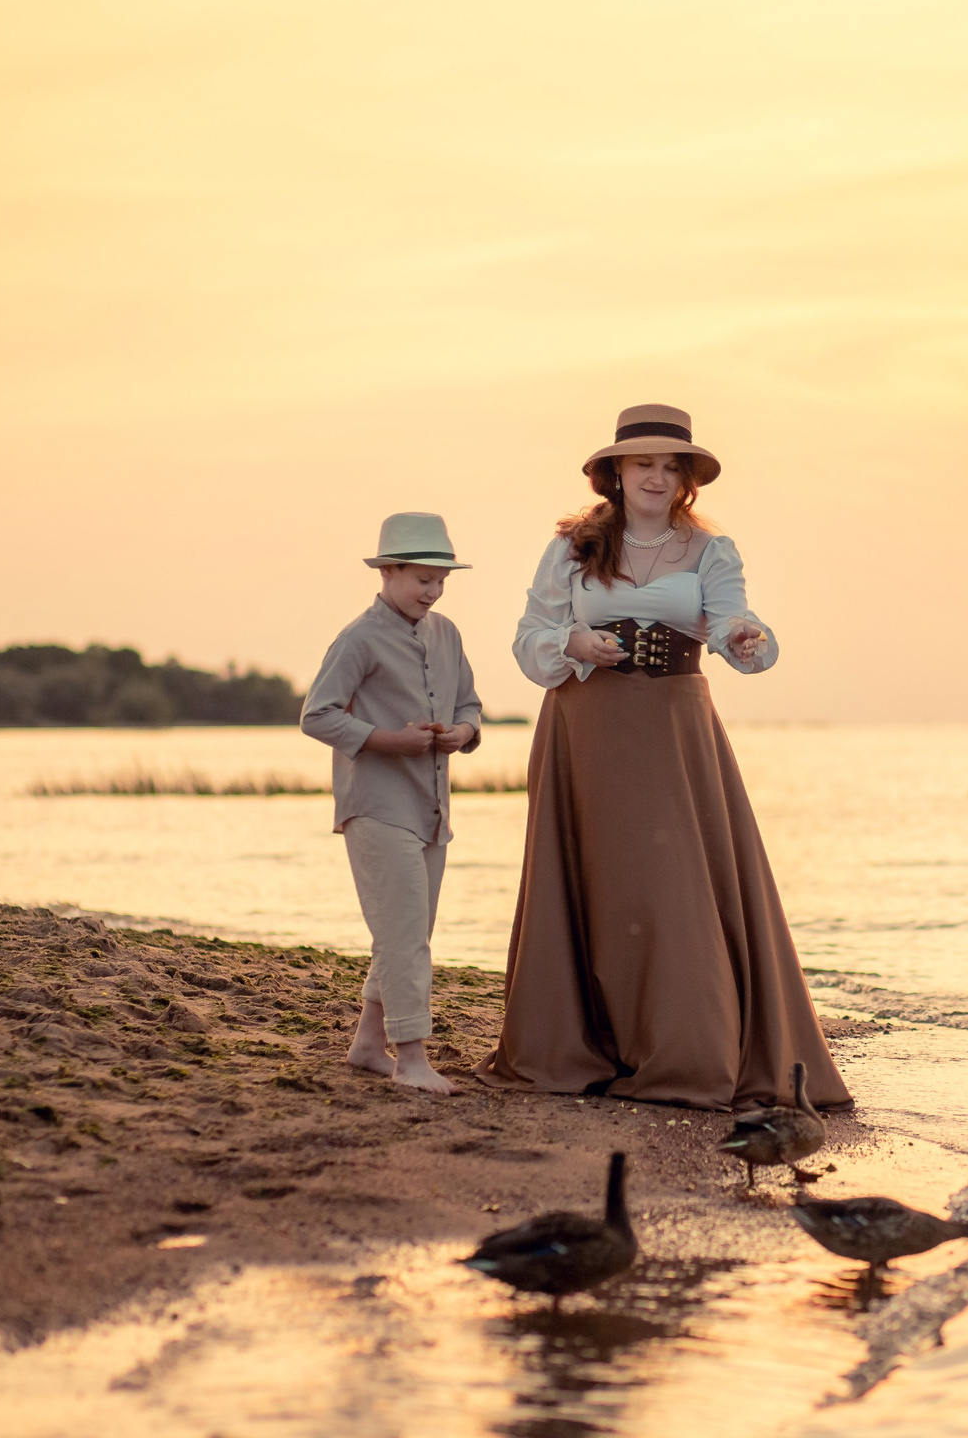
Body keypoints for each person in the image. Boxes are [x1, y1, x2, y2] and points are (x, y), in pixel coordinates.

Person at [483, 404, 850, 1112]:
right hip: (586, 723)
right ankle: (585, 1046)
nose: (656, 476)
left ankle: (685, 1050)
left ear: (686, 479)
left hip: (676, 727)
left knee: (674, 885)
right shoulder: (572, 547)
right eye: (643, 463)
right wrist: (573, 644)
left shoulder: (712, 550)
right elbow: (531, 634)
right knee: (597, 878)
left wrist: (742, 638)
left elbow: (733, 618)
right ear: (615, 472)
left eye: (670, 466)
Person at [301, 511, 484, 1094]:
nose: (433, 591)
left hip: (433, 810)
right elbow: (316, 715)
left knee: (407, 933)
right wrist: (387, 740)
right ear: (387, 571)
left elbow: (470, 704)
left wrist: (463, 733)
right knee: (404, 937)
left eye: (441, 581)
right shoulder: (358, 638)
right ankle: (411, 1059)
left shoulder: (447, 634)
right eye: (423, 579)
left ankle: (366, 1045)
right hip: (376, 807)